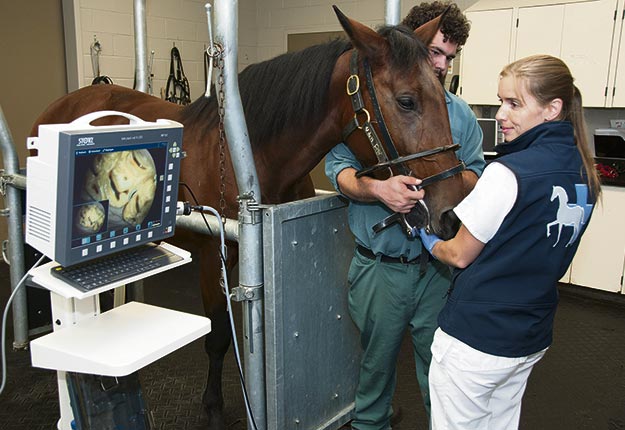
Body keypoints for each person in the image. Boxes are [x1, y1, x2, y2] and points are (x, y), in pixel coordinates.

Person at [418, 54, 601, 430]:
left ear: (553, 108)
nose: (501, 114)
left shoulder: (507, 173)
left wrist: (424, 233)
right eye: (501, 101)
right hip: (529, 337)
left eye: (514, 104)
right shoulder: (583, 170)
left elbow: (458, 254)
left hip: (476, 340)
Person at [325, 2, 485, 429]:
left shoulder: (460, 114)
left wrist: (443, 182)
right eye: (434, 52)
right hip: (381, 269)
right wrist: (378, 189)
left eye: (450, 56)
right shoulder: (374, 103)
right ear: (410, 46)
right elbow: (337, 168)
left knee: (440, 372)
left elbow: (476, 172)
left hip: (436, 269)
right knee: (375, 371)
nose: (442, 64)